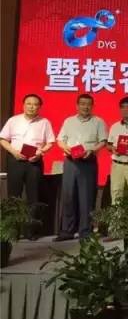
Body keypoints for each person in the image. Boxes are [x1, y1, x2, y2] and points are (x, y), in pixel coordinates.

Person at [0, 94, 55, 239]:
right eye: (29, 104)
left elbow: (50, 142)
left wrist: (40, 153)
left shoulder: (44, 122)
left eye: (35, 104)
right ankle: (13, 230)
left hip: (34, 161)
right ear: (23, 105)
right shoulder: (13, 120)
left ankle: (30, 231)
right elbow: (3, 139)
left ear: (39, 107)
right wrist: (14, 152)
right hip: (15, 160)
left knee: (33, 196)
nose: (32, 107)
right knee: (14, 196)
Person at [55, 94, 107, 241]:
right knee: (68, 196)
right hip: (70, 162)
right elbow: (60, 140)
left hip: (88, 162)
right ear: (77, 105)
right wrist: (65, 148)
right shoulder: (69, 121)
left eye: (88, 104)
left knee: (87, 197)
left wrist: (92, 150)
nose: (85, 107)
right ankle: (67, 231)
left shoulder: (98, 121)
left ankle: (85, 231)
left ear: (92, 106)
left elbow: (103, 141)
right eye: (82, 104)